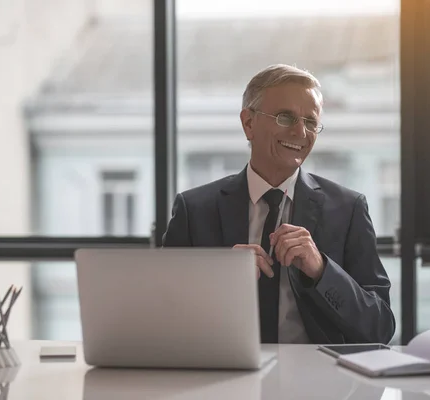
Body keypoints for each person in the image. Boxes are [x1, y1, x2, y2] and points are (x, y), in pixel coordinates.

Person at [163, 64, 395, 345]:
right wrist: (219, 283)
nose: (301, 132)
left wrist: (322, 270)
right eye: (286, 118)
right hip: (223, 376)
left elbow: (380, 327)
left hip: (319, 380)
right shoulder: (194, 210)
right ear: (248, 123)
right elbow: (162, 315)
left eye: (311, 122)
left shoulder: (348, 209)